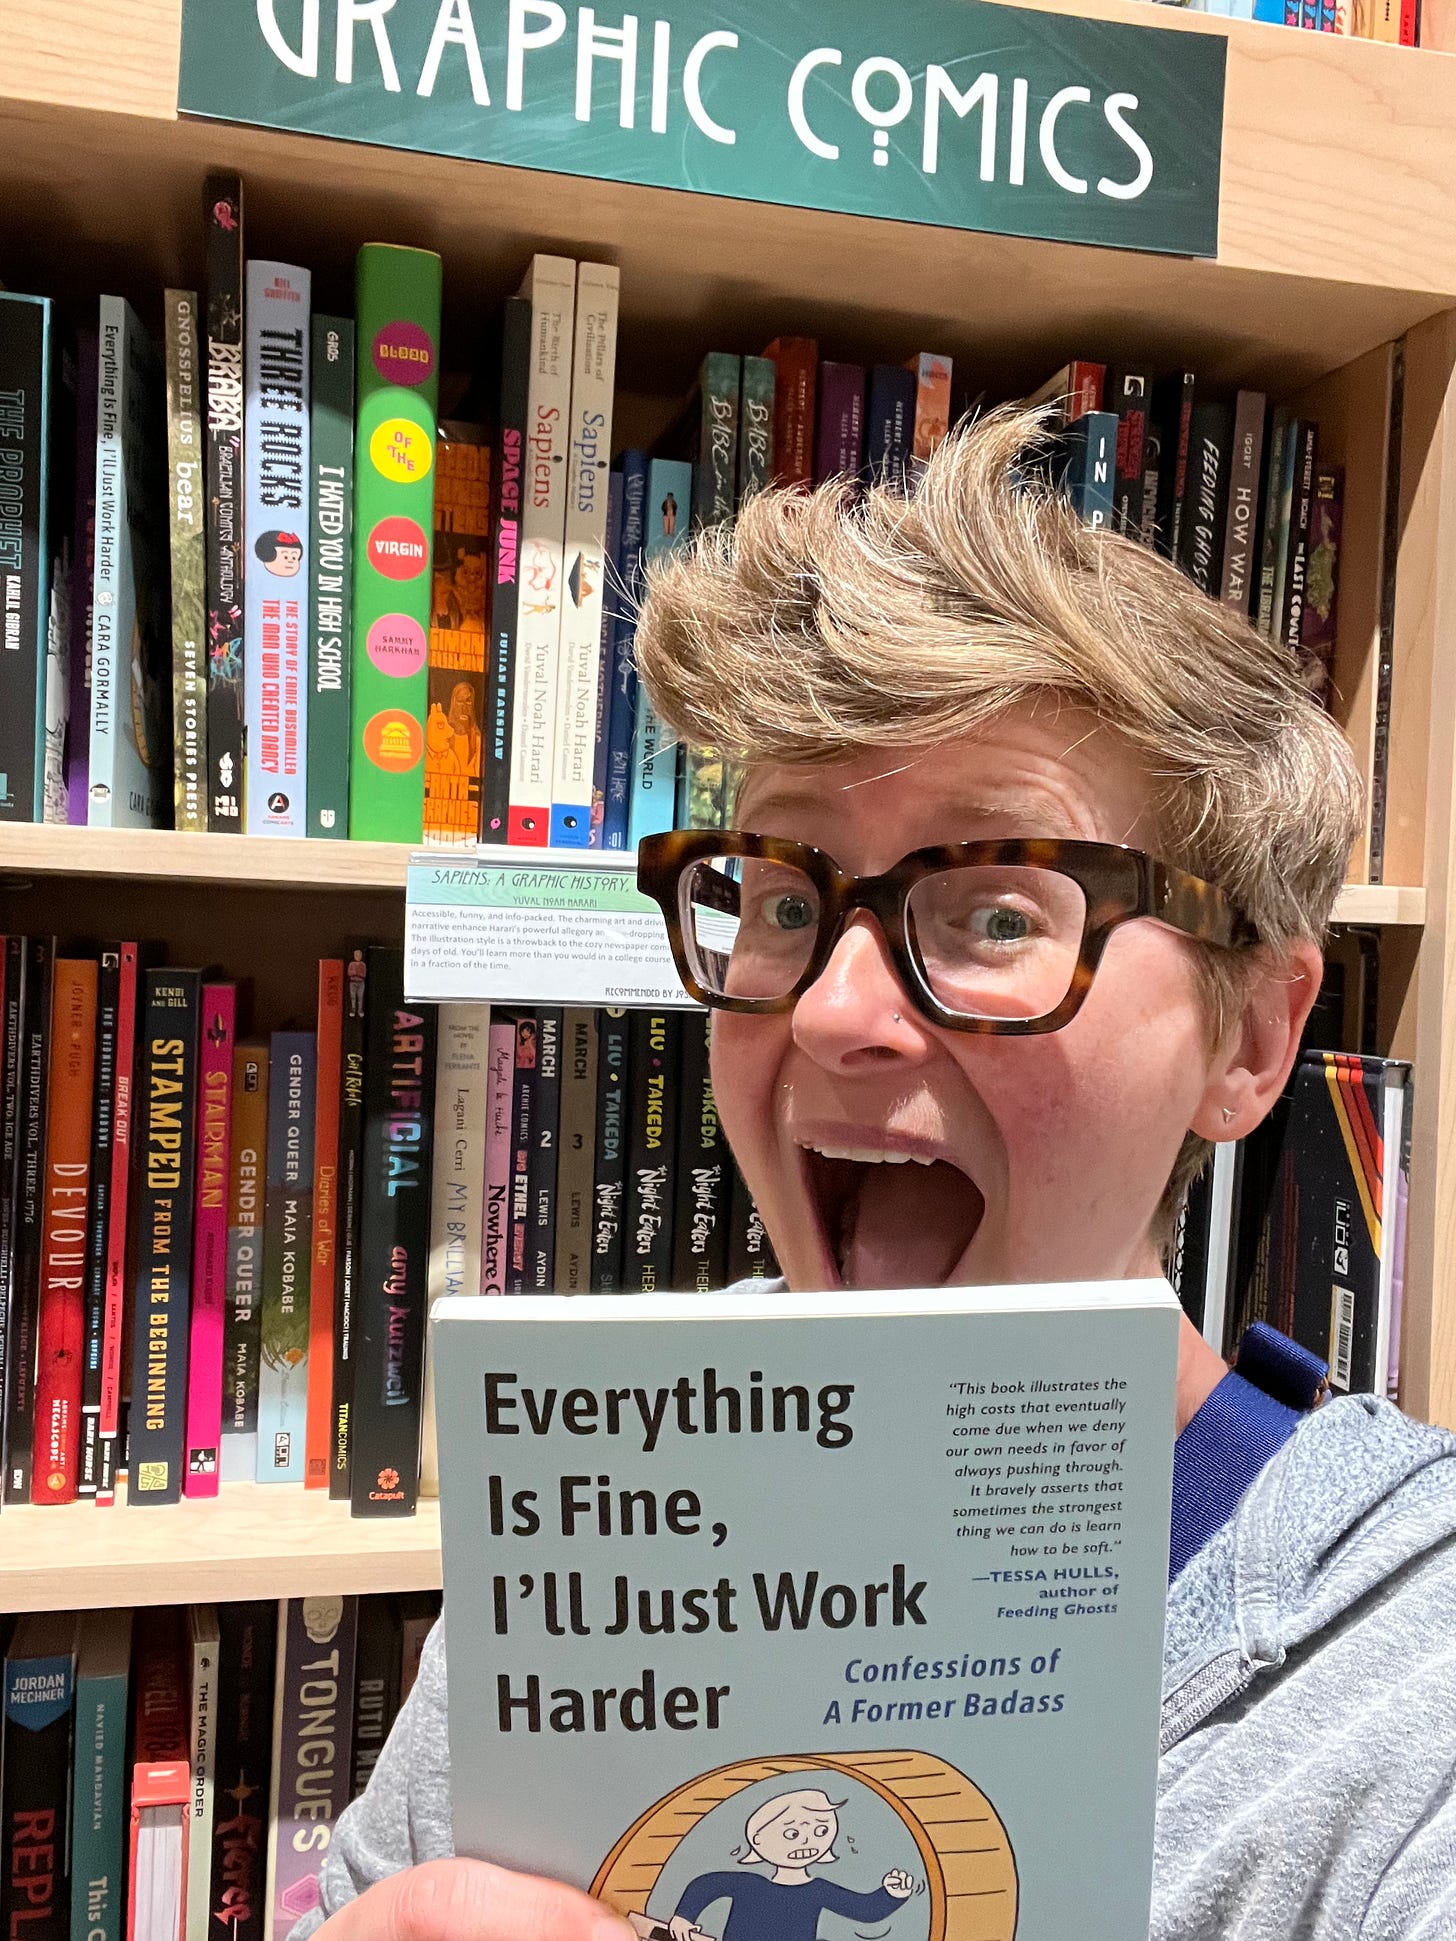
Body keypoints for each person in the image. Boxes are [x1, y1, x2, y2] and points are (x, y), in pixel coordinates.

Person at [295, 410, 1456, 1941]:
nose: (830, 1010)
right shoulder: (612, 1496)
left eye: (991, 915)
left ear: (1251, 1037)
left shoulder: (1402, 1674)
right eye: (782, 897)